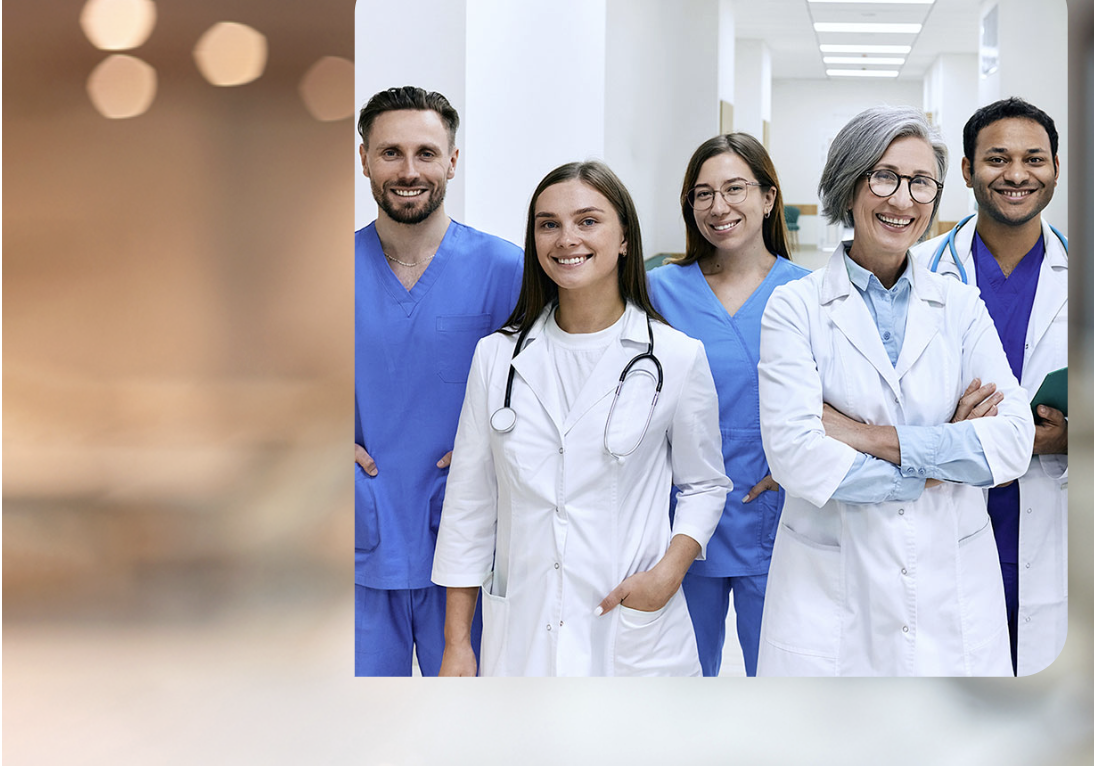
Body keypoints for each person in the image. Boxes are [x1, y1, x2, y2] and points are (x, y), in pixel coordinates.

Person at [756, 105, 1035, 676]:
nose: (903, 200)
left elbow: (1011, 443)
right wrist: (943, 457)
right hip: (830, 593)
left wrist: (863, 436)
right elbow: (797, 456)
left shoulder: (958, 304)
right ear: (849, 185)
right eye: (883, 177)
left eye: (921, 183)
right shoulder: (795, 308)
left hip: (950, 592)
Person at [432, 160, 732, 676]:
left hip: (629, 625)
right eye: (548, 224)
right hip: (523, 627)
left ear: (623, 239)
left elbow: (705, 484)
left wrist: (668, 573)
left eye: (588, 221)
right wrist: (458, 642)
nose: (566, 238)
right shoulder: (496, 358)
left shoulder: (676, 357)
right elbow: (469, 505)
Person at [354, 86, 523, 677]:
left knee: (471, 732)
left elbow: (551, 393)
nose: (408, 170)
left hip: (469, 541)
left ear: (452, 161)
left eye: (426, 153)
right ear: (364, 159)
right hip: (355, 537)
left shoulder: (510, 271)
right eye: (390, 152)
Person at [913, 97, 1068, 676]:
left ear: (1055, 168)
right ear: (967, 171)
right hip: (944, 505)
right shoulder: (917, 272)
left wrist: (1071, 436)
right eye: (997, 159)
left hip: (1049, 511)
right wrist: (954, 433)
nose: (1017, 174)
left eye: (1035, 159)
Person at [647, 133, 810, 676]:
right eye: (703, 193)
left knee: (782, 678)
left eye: (735, 188)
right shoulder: (656, 292)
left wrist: (803, 466)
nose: (719, 207)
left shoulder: (811, 293)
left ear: (769, 198)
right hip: (681, 515)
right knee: (685, 676)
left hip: (784, 511)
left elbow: (845, 402)